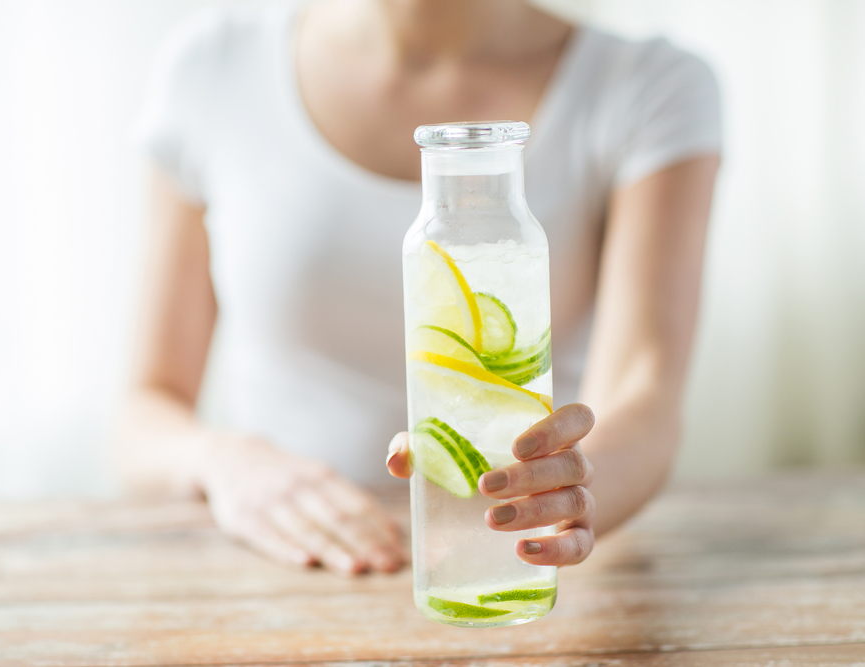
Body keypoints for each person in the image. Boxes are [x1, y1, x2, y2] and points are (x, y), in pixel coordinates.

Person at [119, 0, 721, 575]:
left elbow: (644, 398)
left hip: (510, 560)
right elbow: (144, 411)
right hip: (278, 566)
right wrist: (226, 463)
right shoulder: (214, 65)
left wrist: (572, 493)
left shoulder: (648, 83)